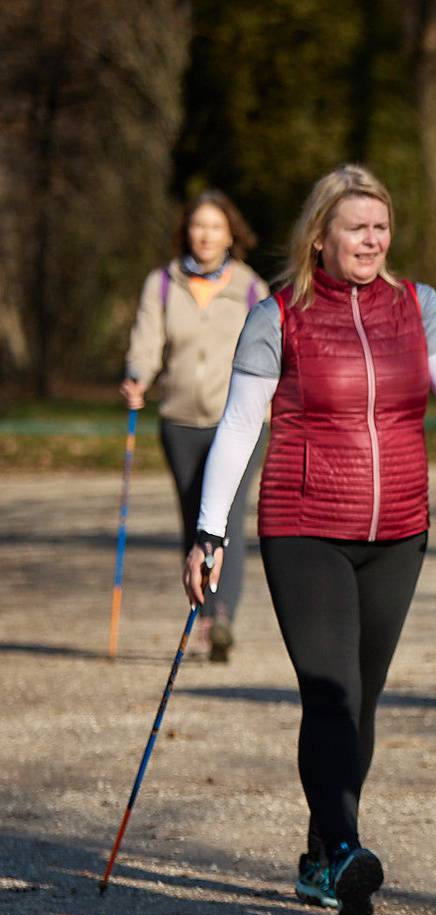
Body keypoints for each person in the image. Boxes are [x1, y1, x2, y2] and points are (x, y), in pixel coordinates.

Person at [185, 165, 436, 915]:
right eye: (357, 228)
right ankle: (347, 849)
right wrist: (209, 528)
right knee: (331, 692)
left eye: (381, 227)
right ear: (322, 237)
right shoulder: (277, 314)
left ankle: (320, 854)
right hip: (305, 524)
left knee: (363, 698)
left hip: (399, 531)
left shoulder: (419, 306)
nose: (373, 241)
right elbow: (240, 428)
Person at [122, 191, 268, 662]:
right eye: (198, 225)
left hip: (240, 420)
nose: (205, 235)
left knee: (229, 518)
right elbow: (147, 340)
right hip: (180, 419)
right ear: (187, 230)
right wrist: (137, 377)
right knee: (194, 517)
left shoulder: (250, 287)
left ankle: (222, 615)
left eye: (215, 226)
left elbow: (271, 349)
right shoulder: (163, 283)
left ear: (232, 234)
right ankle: (203, 614)